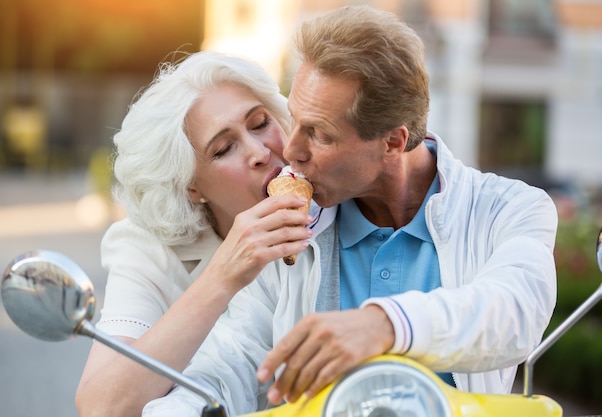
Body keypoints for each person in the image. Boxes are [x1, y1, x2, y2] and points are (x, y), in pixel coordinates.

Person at [142, 5, 558, 417]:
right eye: (295, 121)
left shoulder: (512, 209)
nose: (289, 151)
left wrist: (383, 325)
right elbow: (230, 361)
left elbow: (515, 309)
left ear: (393, 143)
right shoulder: (290, 227)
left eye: (319, 134)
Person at [74, 50, 314, 417]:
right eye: (224, 148)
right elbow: (102, 407)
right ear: (191, 188)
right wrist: (223, 276)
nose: (260, 152)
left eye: (260, 122)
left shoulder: (332, 201)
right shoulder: (147, 248)